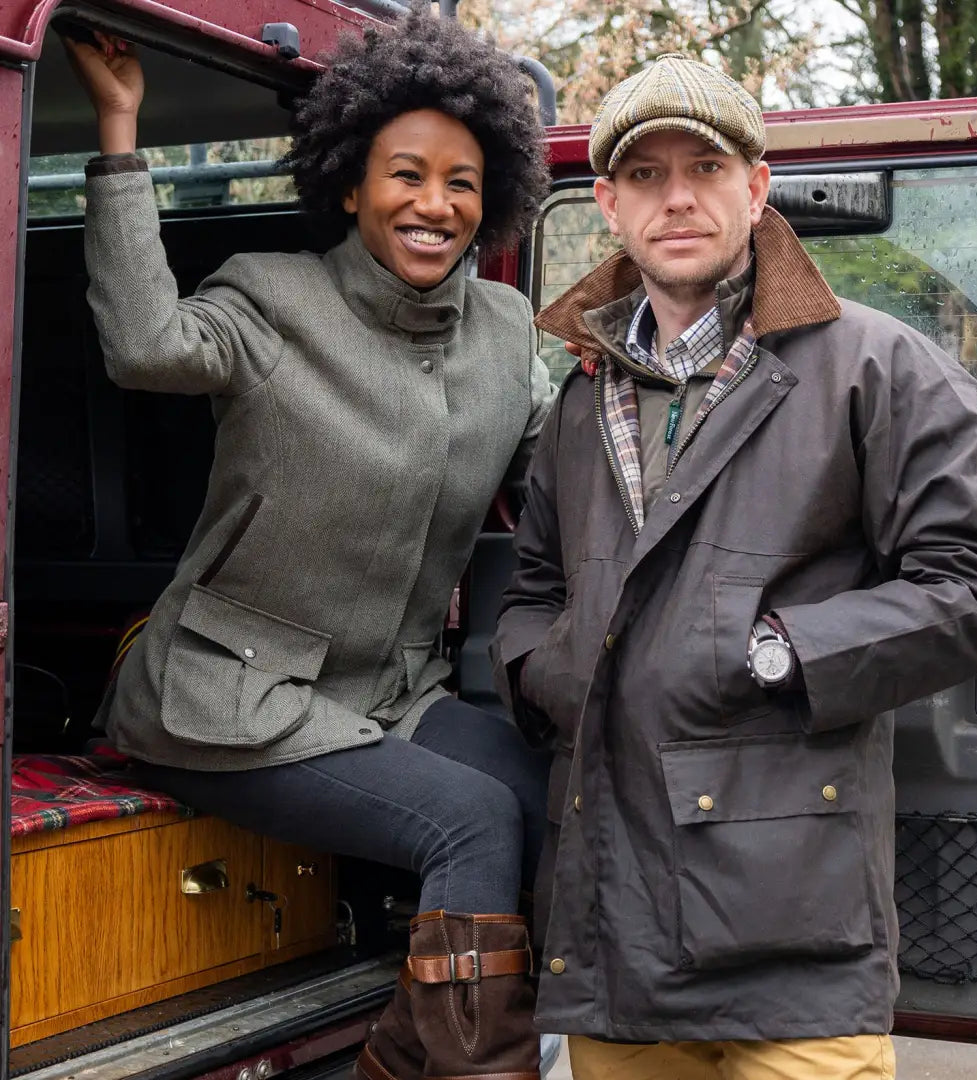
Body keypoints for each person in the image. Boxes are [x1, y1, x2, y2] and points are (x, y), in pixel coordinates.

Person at [492, 54, 977, 1080]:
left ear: (757, 186)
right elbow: (533, 597)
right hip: (614, 931)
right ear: (606, 204)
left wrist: (778, 652)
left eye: (705, 165)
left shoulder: (880, 366)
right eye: (645, 176)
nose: (678, 197)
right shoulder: (578, 402)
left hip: (796, 935)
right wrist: (549, 672)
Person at [63, 7, 554, 1079]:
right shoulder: (272, 298)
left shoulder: (510, 336)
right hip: (226, 700)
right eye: (406, 175)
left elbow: (560, 472)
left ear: (493, 200)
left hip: (393, 694)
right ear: (349, 185)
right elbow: (147, 346)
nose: (434, 203)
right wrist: (119, 134)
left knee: (559, 795)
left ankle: (408, 1056)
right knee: (469, 822)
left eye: (462, 182)